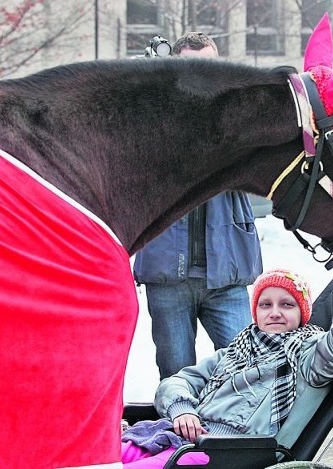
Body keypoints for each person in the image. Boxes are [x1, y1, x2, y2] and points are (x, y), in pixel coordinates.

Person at [120, 264, 333, 468]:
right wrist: (182, 409)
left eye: (287, 304)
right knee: (95, 457)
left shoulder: (310, 356)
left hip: (230, 454)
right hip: (184, 438)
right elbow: (176, 382)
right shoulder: (234, 351)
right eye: (266, 305)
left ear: (302, 313)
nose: (274, 312)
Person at [133, 31, 263, 380]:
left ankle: (236, 435)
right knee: (176, 377)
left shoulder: (237, 115)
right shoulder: (154, 119)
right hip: (167, 275)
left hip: (227, 274)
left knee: (248, 372)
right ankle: (178, 436)